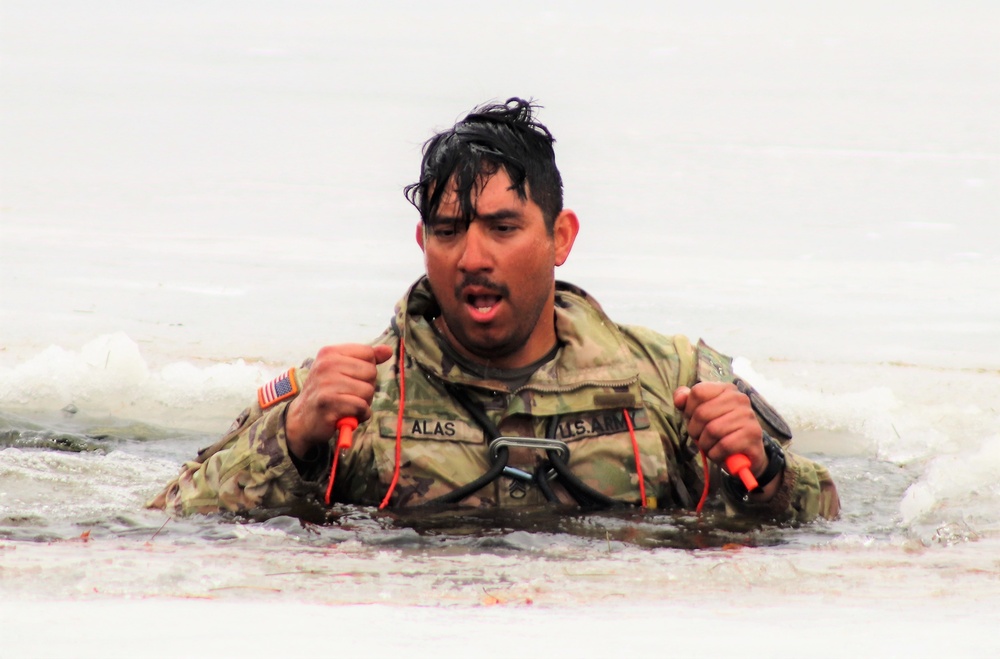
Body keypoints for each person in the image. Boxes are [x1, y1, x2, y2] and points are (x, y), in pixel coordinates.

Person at [149, 98, 840, 522]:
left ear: (559, 237)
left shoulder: (669, 378)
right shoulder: (353, 391)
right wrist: (294, 437)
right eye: (448, 232)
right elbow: (173, 515)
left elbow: (822, 513)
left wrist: (766, 470)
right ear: (422, 243)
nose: (471, 256)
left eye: (502, 228)